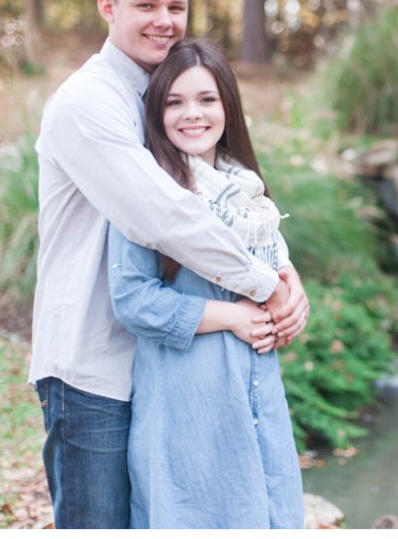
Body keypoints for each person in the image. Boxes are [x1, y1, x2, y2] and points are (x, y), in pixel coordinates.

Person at [28, 0, 310, 529]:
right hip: (93, 367)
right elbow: (161, 216)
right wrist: (264, 287)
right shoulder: (90, 101)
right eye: (146, 5)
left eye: (176, 7)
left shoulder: (163, 94)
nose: (164, 21)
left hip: (162, 368)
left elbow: (234, 201)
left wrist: (286, 276)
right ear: (108, 7)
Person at [108, 39, 304, 528]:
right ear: (157, 112)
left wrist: (296, 301)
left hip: (258, 397)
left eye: (206, 100)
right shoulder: (150, 191)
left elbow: (274, 271)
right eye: (174, 102)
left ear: (227, 107)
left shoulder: (248, 191)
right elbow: (131, 298)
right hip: (189, 408)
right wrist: (233, 318)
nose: (191, 114)